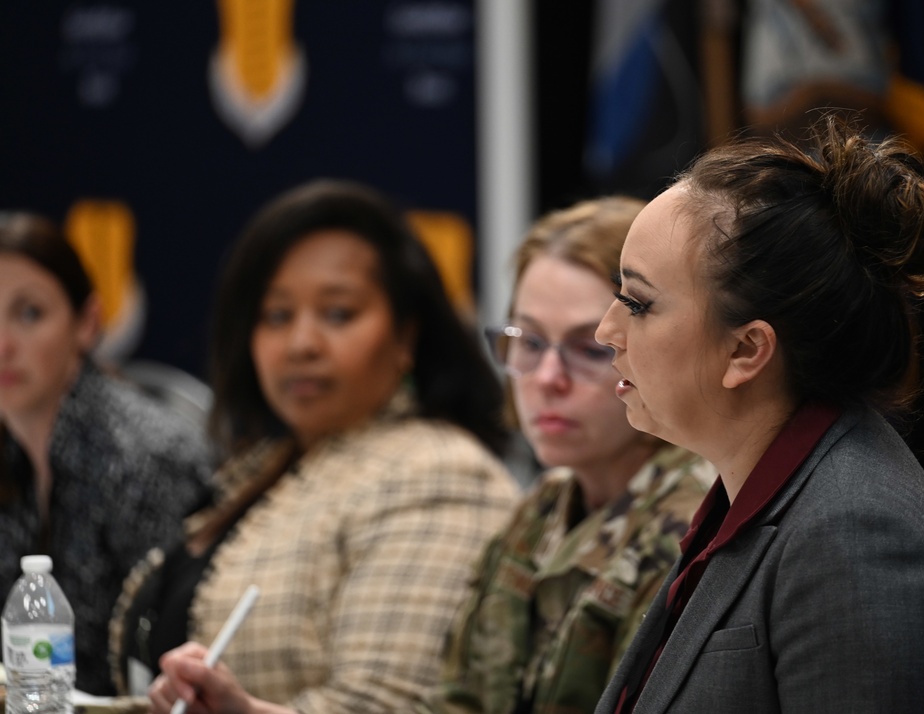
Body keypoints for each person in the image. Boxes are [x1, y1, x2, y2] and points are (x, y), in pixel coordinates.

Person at [591, 116, 924, 713]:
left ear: (746, 350)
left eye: (638, 302)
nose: (607, 331)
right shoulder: (776, 493)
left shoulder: (858, 541)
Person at [111, 179, 520, 714]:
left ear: (405, 336)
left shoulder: (440, 472)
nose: (302, 344)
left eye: (338, 314)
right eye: (277, 316)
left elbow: (387, 705)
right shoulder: (263, 466)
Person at [423, 197, 714, 714]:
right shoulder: (540, 510)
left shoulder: (695, 520)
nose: (547, 380)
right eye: (529, 342)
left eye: (588, 349)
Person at [0, 212, 213, 695]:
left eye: (29, 313)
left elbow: (162, 659)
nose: (3, 344)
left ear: (87, 323)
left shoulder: (147, 457)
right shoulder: (9, 442)